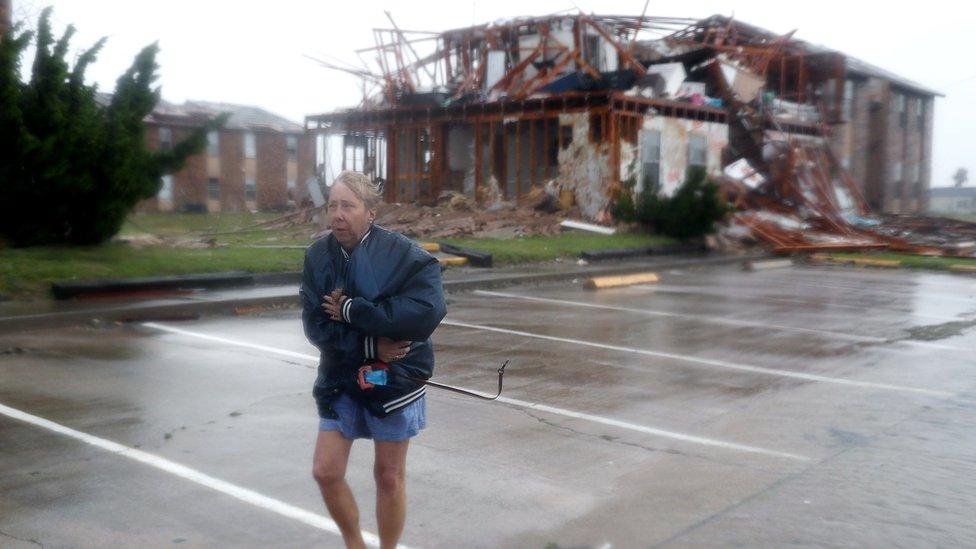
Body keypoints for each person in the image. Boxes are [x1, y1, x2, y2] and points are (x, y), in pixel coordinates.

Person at [300, 170, 447, 549]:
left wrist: (353, 311)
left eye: (348, 206)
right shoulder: (318, 257)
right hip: (342, 377)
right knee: (325, 471)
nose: (337, 215)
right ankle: (355, 543)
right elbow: (316, 326)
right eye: (332, 205)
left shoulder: (405, 257)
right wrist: (370, 347)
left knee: (389, 476)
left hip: (394, 378)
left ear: (370, 212)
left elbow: (425, 313)